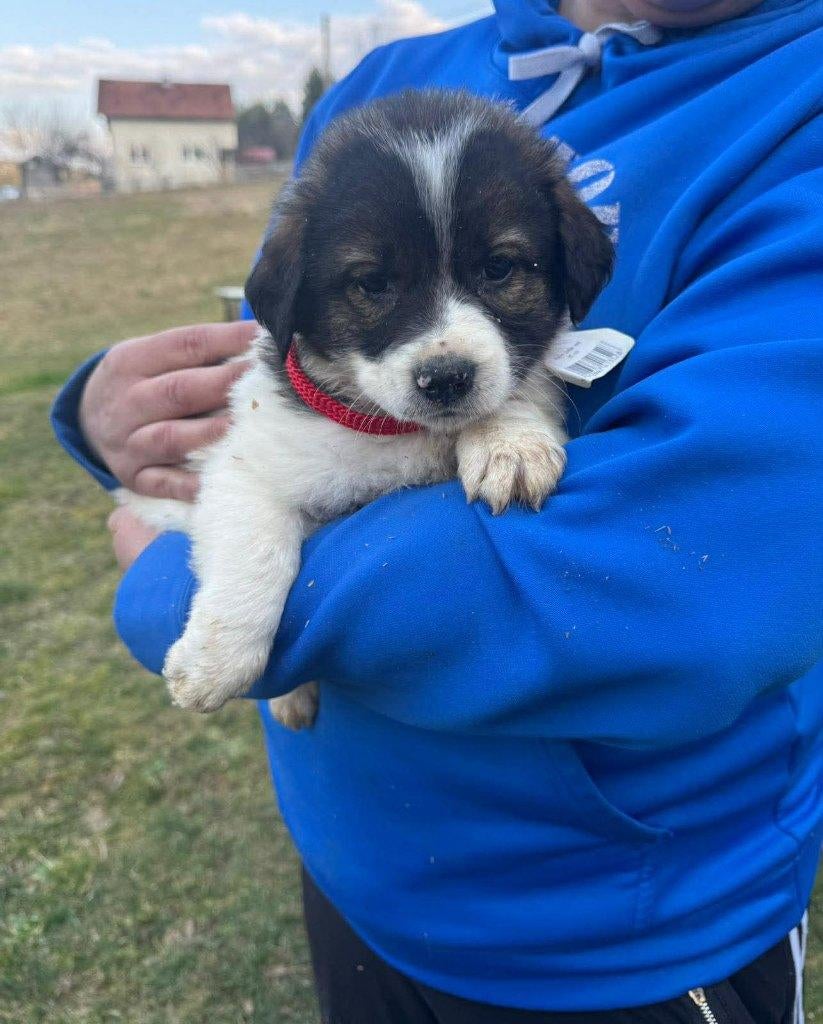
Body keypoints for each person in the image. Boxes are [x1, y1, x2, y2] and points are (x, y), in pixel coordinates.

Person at [52, 0, 822, 1020]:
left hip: (612, 937)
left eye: (500, 269)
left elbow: (680, 585)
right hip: (353, 863)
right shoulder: (380, 86)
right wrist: (109, 411)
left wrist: (179, 592)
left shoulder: (790, 114)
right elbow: (273, 349)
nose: (446, 346)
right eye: (381, 286)